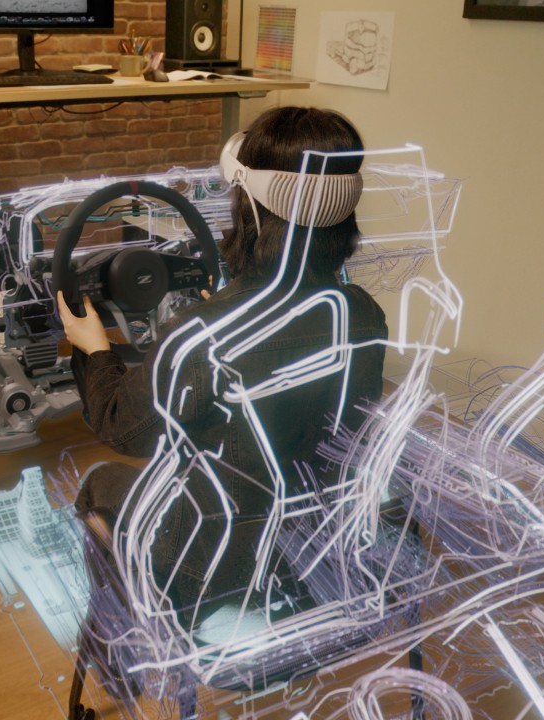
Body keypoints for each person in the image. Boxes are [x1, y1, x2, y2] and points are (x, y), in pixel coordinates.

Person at [56, 106, 389, 626]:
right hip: (320, 559)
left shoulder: (202, 334)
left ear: (249, 208)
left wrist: (95, 349)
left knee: (100, 482)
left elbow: (124, 428)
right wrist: (227, 313)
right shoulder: (363, 313)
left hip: (217, 572)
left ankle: (127, 637)